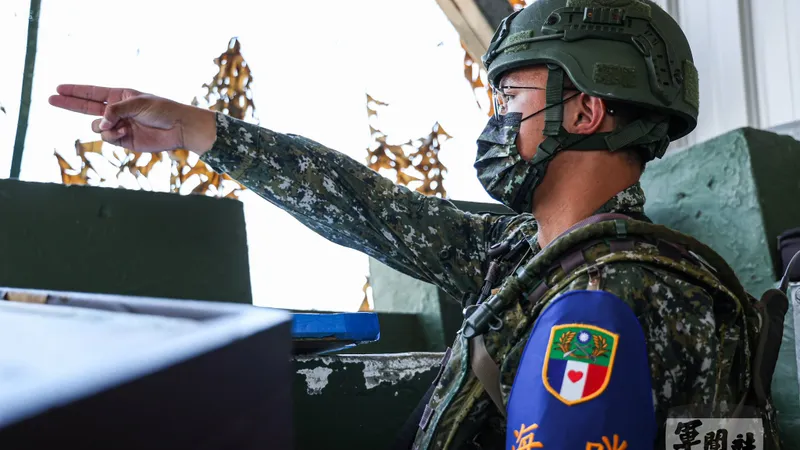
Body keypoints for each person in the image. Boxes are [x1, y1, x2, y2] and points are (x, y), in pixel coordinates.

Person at [49, 0, 782, 448]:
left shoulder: (627, 290)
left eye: (510, 99)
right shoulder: (525, 259)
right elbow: (373, 209)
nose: (494, 122)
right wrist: (205, 133)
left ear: (586, 111)